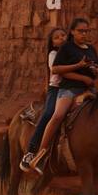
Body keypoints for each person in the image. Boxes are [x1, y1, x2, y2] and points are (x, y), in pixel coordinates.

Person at [30, 17, 98, 173]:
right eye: (81, 31)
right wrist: (82, 74)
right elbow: (56, 70)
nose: (84, 34)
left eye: (87, 31)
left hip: (88, 89)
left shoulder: (91, 49)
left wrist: (95, 71)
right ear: (73, 32)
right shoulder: (66, 48)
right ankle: (41, 155)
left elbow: (97, 68)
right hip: (69, 89)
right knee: (57, 115)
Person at [19, 27, 68, 173]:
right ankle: (31, 151)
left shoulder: (73, 52)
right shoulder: (53, 54)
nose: (62, 38)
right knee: (48, 114)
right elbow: (56, 69)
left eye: (63, 35)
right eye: (57, 37)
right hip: (56, 89)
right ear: (52, 43)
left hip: (72, 89)